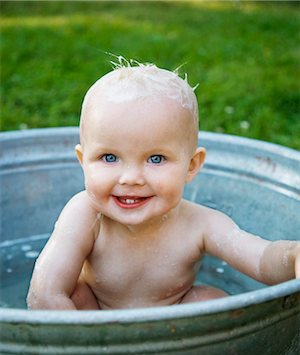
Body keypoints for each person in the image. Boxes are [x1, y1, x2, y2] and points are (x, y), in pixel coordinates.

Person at [27, 61, 300, 310]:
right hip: (93, 319)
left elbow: (263, 260)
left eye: (156, 158)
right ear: (83, 161)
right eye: (109, 157)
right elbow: (44, 292)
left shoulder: (200, 224)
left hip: (173, 324)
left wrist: (293, 255)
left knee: (208, 299)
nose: (131, 178)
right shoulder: (85, 214)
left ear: (191, 166)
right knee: (70, 294)